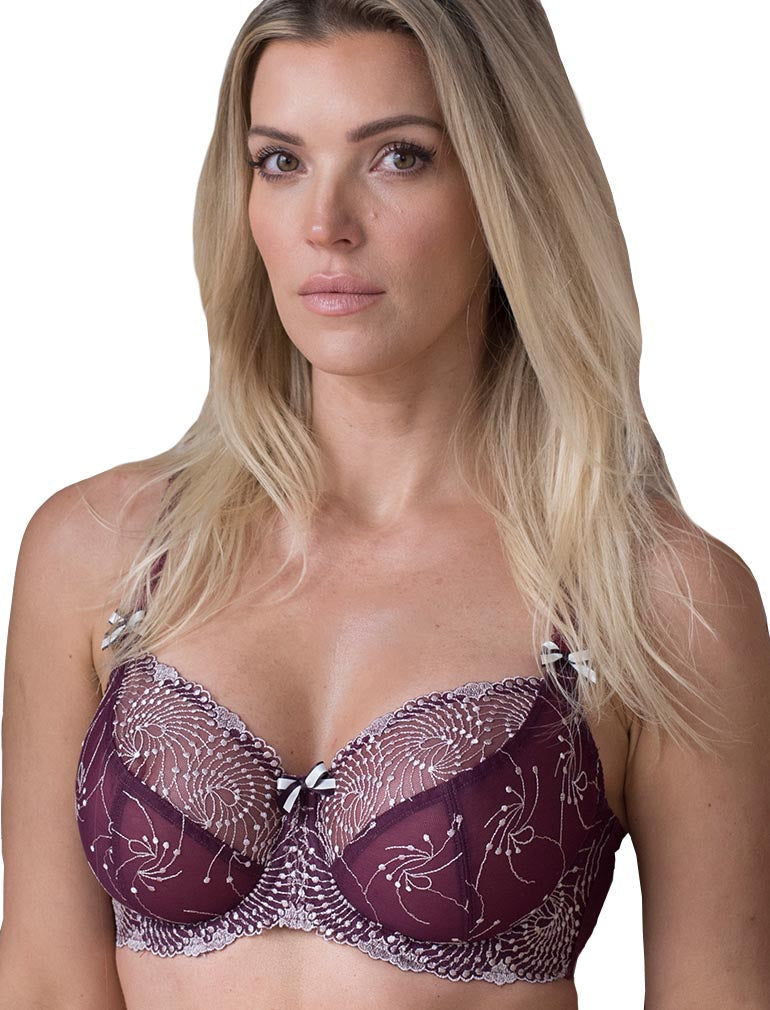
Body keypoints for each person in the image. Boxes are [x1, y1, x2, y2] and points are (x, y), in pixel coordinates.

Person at [1, 1, 768, 1008]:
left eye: (398, 157)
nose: (324, 223)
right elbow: (44, 981)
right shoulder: (100, 552)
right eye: (280, 161)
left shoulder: (652, 594)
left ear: (506, 188)